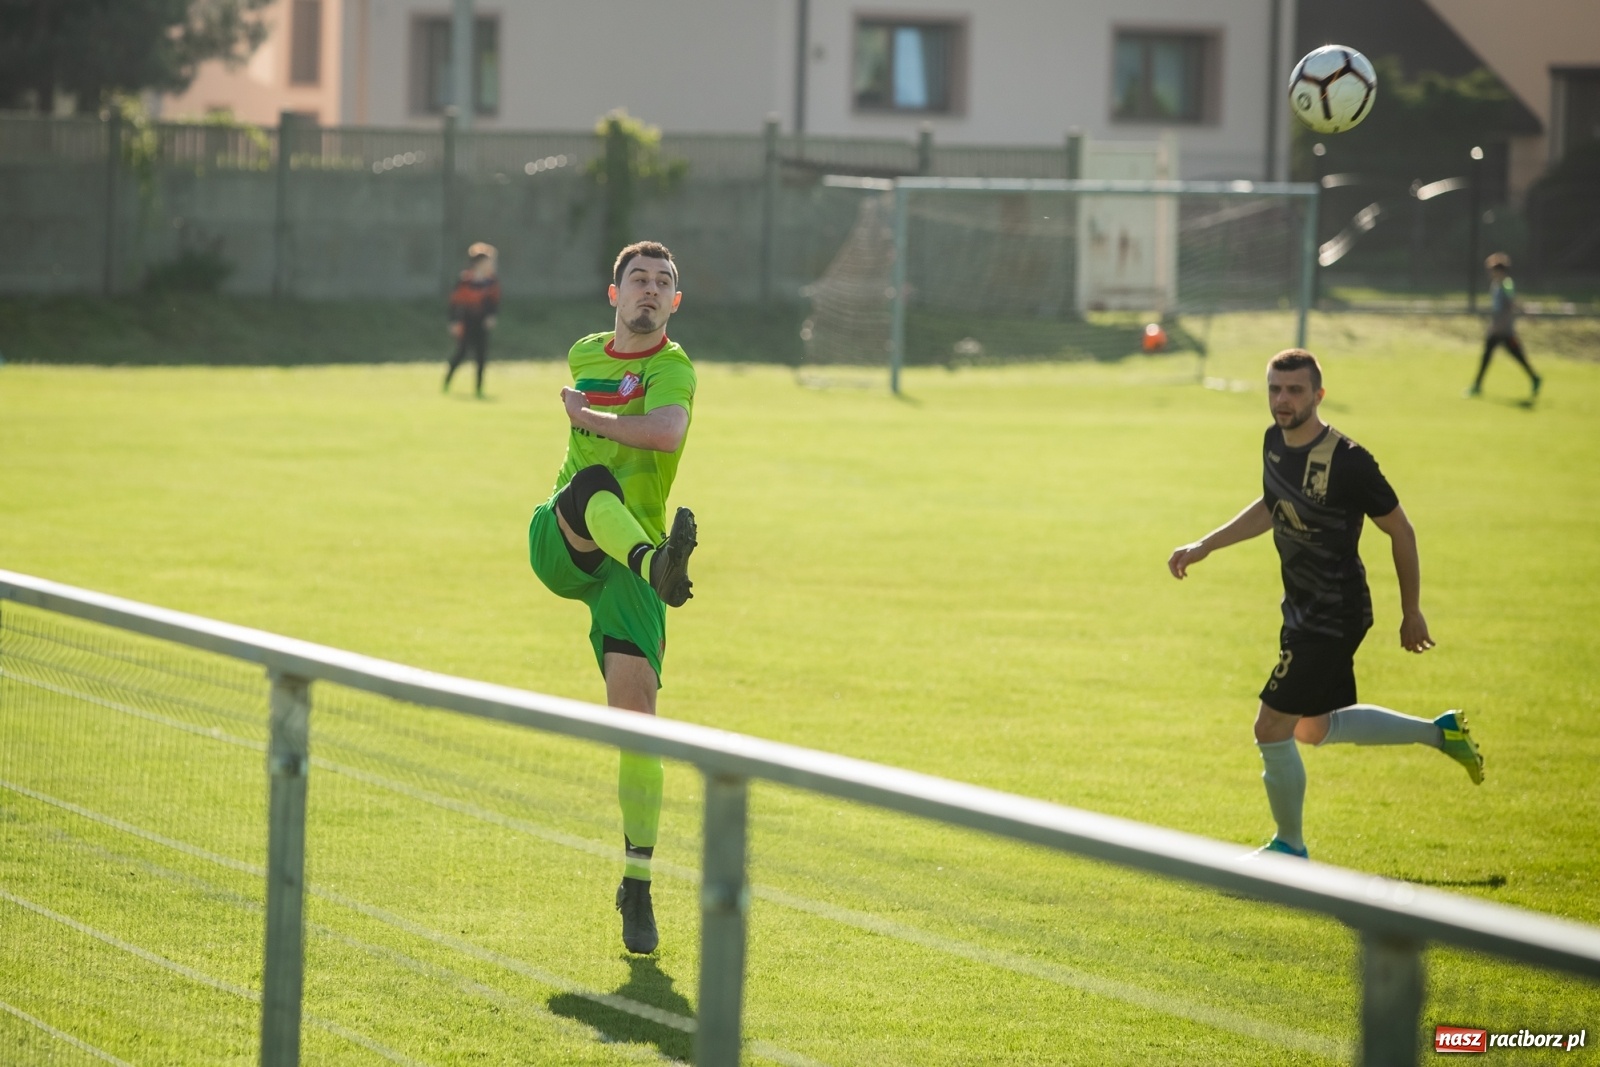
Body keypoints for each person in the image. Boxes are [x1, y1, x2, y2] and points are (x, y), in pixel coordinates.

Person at [1167, 349, 1483, 860]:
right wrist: (1206, 544)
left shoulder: (1350, 460)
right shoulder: (1273, 441)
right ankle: (1440, 734)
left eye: (1294, 390)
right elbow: (1274, 505)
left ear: (1318, 394)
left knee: (1270, 726)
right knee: (1310, 728)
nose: (1282, 400)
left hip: (1334, 612)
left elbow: (1400, 529)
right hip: (1300, 606)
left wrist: (1412, 610)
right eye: (1275, 389)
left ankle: (1289, 848)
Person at [527, 240, 698, 952]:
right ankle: (654, 563)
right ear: (614, 294)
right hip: (564, 537)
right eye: (639, 280)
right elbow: (606, 421)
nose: (650, 291)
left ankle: (638, 883)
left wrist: (587, 417)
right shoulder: (584, 353)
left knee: (639, 722)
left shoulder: (674, 367)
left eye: (663, 283)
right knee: (593, 484)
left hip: (634, 558)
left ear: (675, 303)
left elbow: (665, 431)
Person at [1467, 252, 1541, 399]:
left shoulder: (1506, 284)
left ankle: (1477, 386)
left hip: (1503, 329)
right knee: (1492, 355)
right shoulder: (1497, 284)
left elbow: (1510, 305)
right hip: (1499, 327)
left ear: (1499, 271)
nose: (1489, 273)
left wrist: (1499, 325)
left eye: (1491, 270)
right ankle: (1477, 385)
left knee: (1512, 355)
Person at [444, 242, 501, 397]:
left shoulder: (491, 282)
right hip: (467, 322)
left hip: (481, 323)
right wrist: (454, 321)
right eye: (489, 262)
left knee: (481, 356)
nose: (492, 265)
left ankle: (478, 389)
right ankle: (447, 382)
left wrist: (491, 316)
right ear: (479, 263)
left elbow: (493, 302)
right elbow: (455, 302)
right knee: (461, 353)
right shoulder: (465, 280)